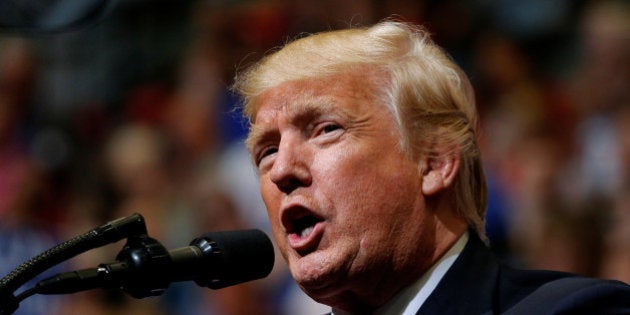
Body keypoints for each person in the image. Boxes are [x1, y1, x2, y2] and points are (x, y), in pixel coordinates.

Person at [232, 20, 630, 314]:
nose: (281, 169)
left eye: (326, 129)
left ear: (436, 162)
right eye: (266, 151)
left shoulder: (578, 311)